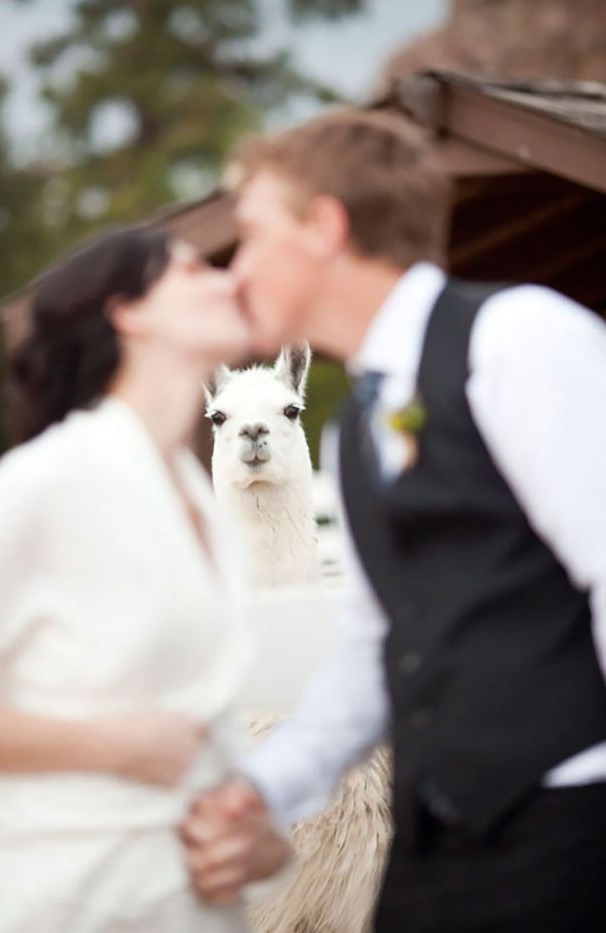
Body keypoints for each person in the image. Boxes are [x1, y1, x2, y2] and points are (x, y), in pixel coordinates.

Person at [181, 110, 606, 931]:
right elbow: (381, 647)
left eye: (256, 236)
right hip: (441, 835)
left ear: (326, 228)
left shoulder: (519, 344)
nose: (238, 269)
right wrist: (267, 789)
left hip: (565, 821)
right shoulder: (360, 429)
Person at [0, 227, 287, 932]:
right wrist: (114, 748)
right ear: (128, 312)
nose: (226, 280)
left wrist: (253, 841)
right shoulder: (51, 480)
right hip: (51, 900)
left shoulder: (195, 499)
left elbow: (194, 727)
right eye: (194, 269)